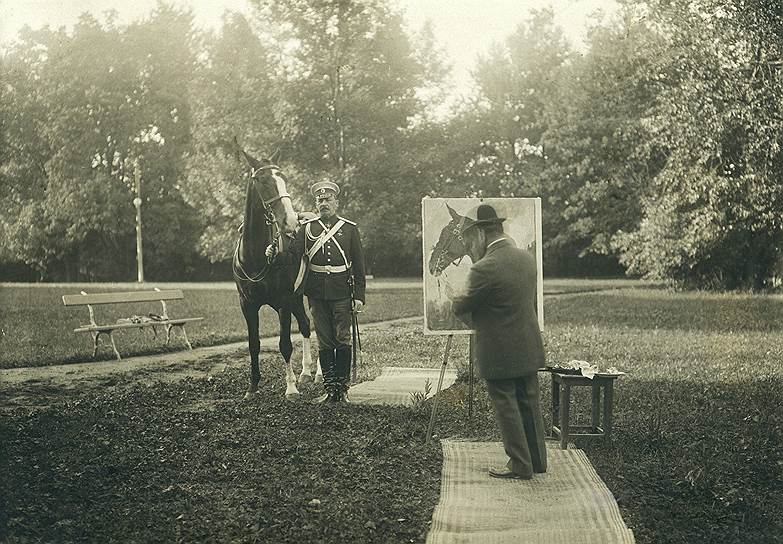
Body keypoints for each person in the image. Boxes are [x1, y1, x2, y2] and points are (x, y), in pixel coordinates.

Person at [451, 203, 547, 479]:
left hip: (500, 352)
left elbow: (464, 305)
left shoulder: (484, 268)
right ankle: (537, 461)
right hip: (528, 347)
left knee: (506, 406)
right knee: (529, 402)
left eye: (472, 239)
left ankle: (519, 465)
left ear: (481, 235)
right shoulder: (526, 259)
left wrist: (454, 298)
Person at [266, 179, 365, 403]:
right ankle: (331, 391)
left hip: (342, 291)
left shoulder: (349, 229)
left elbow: (359, 265)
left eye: (328, 199)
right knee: (325, 341)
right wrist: (274, 253)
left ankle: (343, 390)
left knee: (342, 338)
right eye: (320, 200)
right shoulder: (307, 229)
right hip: (317, 294)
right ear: (316, 203)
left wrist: (359, 296)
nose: (324, 203)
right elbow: (292, 255)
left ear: (336, 202)